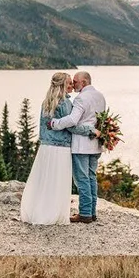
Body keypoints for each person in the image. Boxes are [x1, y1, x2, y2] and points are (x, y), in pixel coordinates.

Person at [19, 72, 95, 225]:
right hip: (60, 148)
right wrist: (91, 130)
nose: (72, 85)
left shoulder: (47, 101)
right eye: (69, 83)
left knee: (44, 181)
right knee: (57, 183)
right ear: (62, 85)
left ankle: (38, 212)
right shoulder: (65, 103)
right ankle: (52, 214)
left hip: (45, 148)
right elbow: (72, 127)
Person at [49, 70, 107, 222]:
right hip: (96, 144)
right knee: (91, 178)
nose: (73, 84)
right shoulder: (100, 96)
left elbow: (73, 120)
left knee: (82, 180)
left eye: (75, 82)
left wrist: (55, 123)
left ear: (84, 82)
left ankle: (85, 213)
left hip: (82, 144)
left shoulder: (81, 98)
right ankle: (92, 212)